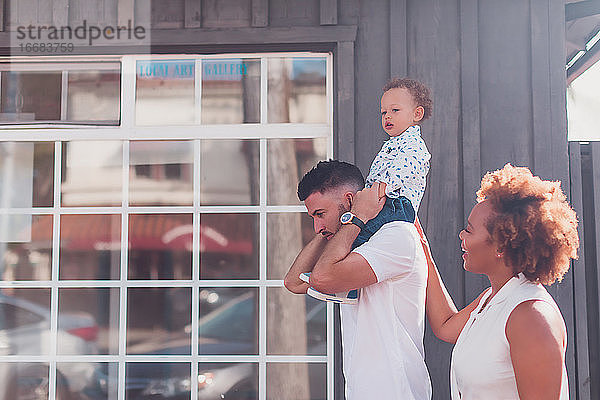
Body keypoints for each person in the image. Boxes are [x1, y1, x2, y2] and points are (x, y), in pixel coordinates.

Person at [416, 164, 579, 399]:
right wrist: (423, 251)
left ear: (501, 245)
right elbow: (445, 325)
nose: (461, 236)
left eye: (469, 231)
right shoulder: (493, 299)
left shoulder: (530, 315)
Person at [284, 160, 432, 400]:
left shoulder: (396, 236)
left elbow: (321, 277)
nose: (317, 226)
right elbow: (293, 282)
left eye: (320, 214)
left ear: (351, 201)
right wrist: (332, 229)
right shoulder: (347, 245)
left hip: (397, 392)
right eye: (313, 217)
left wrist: (357, 216)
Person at [304, 77, 433, 304]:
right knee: (356, 235)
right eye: (383, 113)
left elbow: (403, 171)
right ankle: (348, 286)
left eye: (395, 110)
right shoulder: (392, 143)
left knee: (359, 233)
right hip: (381, 200)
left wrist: (376, 192)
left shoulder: (414, 146)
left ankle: (339, 282)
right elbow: (291, 282)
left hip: (396, 205)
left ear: (417, 114)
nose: (388, 117)